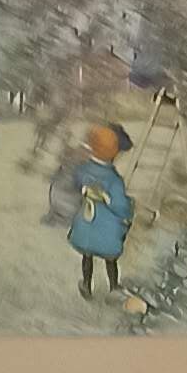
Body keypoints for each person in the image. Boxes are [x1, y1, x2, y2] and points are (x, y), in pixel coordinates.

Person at [65, 124, 134, 301]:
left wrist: (86, 190)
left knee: (87, 257)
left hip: (87, 224)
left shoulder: (83, 169)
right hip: (106, 230)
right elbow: (120, 207)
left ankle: (87, 285)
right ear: (115, 152)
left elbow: (75, 182)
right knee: (110, 260)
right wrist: (129, 210)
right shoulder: (114, 180)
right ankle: (114, 287)